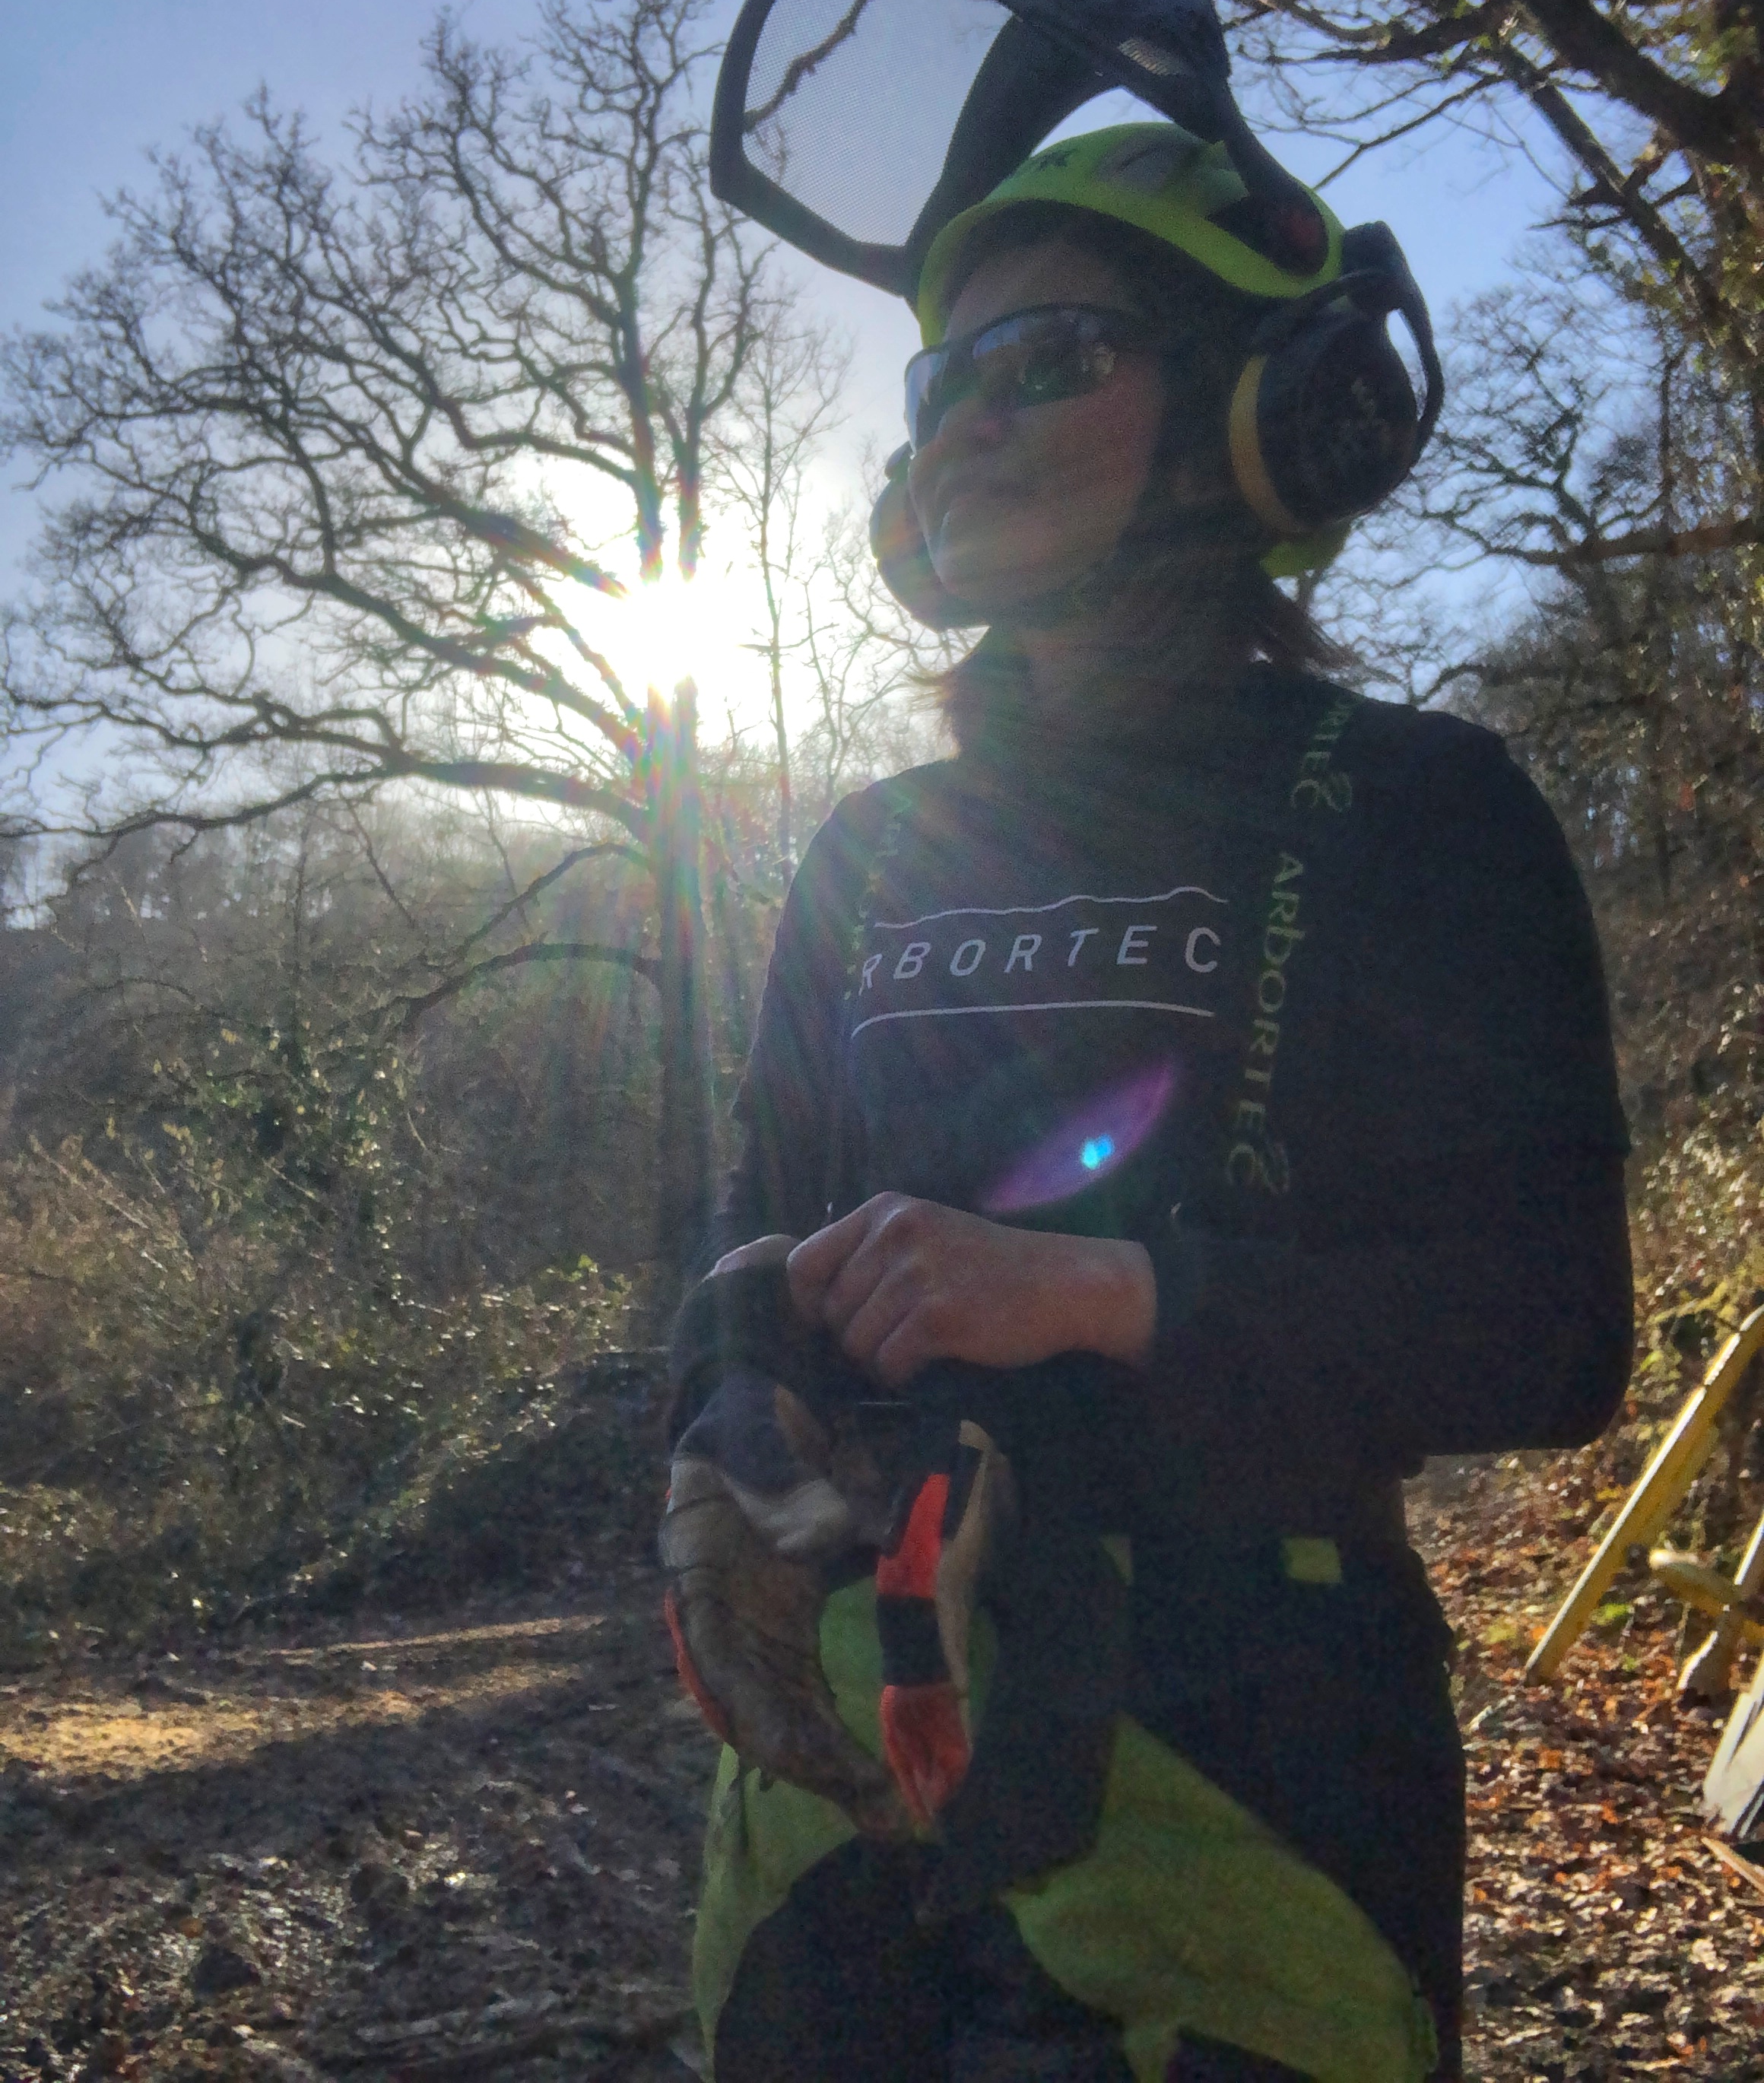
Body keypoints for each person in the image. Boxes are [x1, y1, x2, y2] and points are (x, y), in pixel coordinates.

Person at [662, 122, 1633, 2083]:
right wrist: (728, 1388)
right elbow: (754, 1224)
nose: (970, 422)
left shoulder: (1421, 807)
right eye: (944, 381)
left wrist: (1106, 1293)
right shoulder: (865, 853)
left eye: (1054, 358)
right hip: (858, 1757)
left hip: (1252, 1755)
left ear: (1248, 410)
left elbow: (1551, 1333)